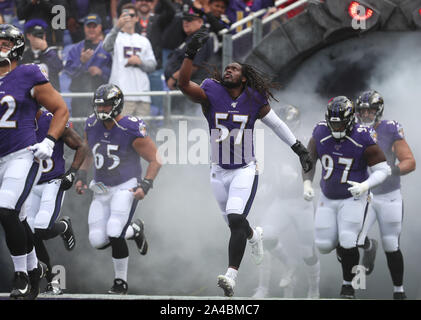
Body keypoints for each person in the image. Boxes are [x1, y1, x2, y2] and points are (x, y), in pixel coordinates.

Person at [177, 30, 313, 296]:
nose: (228, 70)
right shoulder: (211, 91)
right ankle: (255, 236)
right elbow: (183, 85)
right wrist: (189, 55)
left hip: (244, 169)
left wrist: (298, 148)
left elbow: (276, 124)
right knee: (235, 225)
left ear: (244, 77)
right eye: (227, 67)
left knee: (237, 218)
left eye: (234, 68)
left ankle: (231, 276)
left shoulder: (253, 98)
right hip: (217, 171)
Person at [0, 24, 69, 299]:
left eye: (5, 42)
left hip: (22, 154)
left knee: (5, 209)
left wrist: (50, 140)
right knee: (21, 219)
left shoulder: (27, 72)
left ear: (16, 46)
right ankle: (35, 270)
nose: (0, 46)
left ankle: (21, 275)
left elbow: (61, 109)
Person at [74, 83, 161, 294]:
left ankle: (120, 283)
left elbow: (155, 159)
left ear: (117, 105)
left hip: (126, 185)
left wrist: (146, 185)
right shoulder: (92, 124)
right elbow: (88, 152)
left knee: (114, 231)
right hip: (102, 187)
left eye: (106, 106)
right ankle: (135, 230)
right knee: (97, 241)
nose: (102, 110)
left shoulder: (130, 127)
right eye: (99, 106)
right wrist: (81, 175)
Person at [302, 96, 391, 299]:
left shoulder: (364, 136)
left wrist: (365, 185)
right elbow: (309, 160)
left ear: (350, 120)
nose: (336, 126)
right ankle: (365, 243)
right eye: (333, 122)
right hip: (328, 195)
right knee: (324, 245)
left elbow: (383, 170)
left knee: (348, 240)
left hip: (354, 196)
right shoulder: (320, 131)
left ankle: (348, 286)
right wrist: (307, 183)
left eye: (340, 122)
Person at [252, 105, 320, 299]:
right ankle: (288, 263)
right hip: (280, 201)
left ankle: (314, 289)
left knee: (308, 251)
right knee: (266, 236)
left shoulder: (307, 140)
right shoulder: (270, 142)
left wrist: (306, 185)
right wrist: (266, 185)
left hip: (301, 202)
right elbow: (267, 169)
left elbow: (317, 169)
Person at [354, 90, 416, 300]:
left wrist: (391, 170)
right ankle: (355, 288)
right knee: (353, 240)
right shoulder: (352, 129)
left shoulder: (390, 129)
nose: (365, 115)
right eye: (361, 111)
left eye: (369, 111)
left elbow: (409, 161)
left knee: (391, 244)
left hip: (388, 195)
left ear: (378, 111)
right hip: (364, 195)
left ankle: (398, 291)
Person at [20, 109, 89, 295]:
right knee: (31, 235)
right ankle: (51, 282)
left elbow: (81, 146)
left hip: (53, 181)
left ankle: (64, 226)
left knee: (41, 229)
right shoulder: (17, 121)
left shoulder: (51, 120)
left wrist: (72, 172)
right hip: (31, 184)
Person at [103, 4, 157, 118]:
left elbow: (153, 65)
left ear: (137, 18)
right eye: (124, 15)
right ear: (119, 18)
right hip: (122, 96)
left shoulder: (144, 40)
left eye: (131, 15)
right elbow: (106, 47)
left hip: (143, 95)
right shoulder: (116, 37)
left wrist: (140, 62)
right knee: (121, 133)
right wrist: (117, 27)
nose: (128, 18)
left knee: (142, 133)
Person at [64, 13, 112, 118]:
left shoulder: (108, 48)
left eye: (94, 26)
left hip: (102, 96)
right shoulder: (76, 48)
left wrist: (101, 71)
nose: (91, 29)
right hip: (80, 95)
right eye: (88, 26)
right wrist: (81, 62)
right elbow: (68, 71)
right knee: (79, 128)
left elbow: (115, 71)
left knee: (100, 127)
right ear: (84, 28)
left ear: (100, 27)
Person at [20, 19, 63, 91]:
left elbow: (59, 68)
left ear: (45, 36)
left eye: (41, 34)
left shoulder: (53, 53)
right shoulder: (23, 56)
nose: (39, 38)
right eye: (36, 35)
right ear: (28, 36)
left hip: (51, 96)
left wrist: (45, 50)